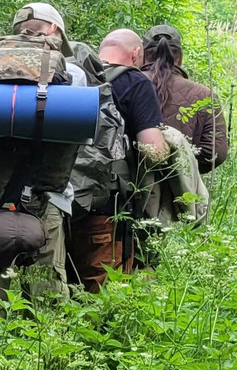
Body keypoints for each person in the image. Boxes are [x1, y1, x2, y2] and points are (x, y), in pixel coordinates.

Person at [0, 2, 82, 315]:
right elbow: (82, 134)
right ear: (54, 30)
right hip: (43, 200)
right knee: (46, 306)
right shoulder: (72, 72)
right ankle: (44, 361)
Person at [65, 28, 168, 290]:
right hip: (105, 212)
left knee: (56, 293)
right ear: (136, 54)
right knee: (101, 297)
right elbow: (153, 152)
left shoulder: (68, 77)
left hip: (54, 204)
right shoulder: (135, 83)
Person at [142, 25, 228, 172]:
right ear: (180, 58)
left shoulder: (124, 87)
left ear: (143, 56)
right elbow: (216, 153)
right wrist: (181, 169)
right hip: (183, 192)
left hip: (131, 190)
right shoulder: (205, 96)